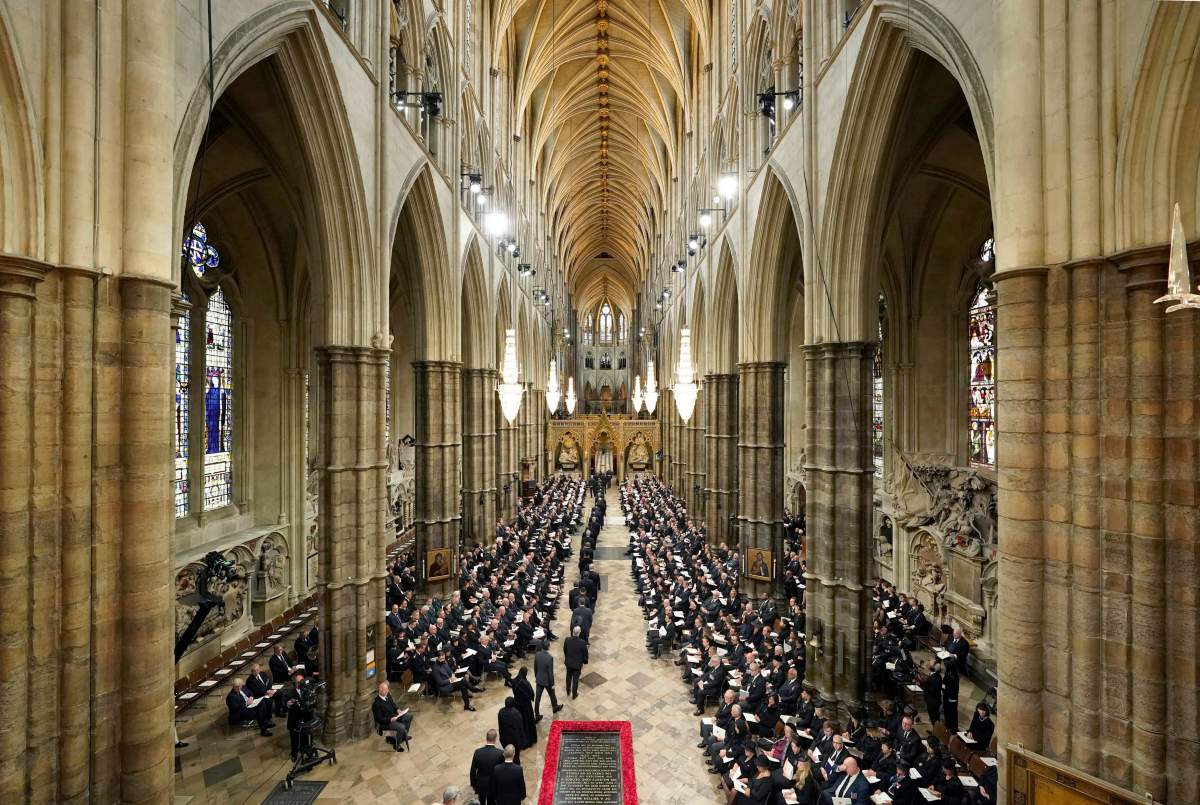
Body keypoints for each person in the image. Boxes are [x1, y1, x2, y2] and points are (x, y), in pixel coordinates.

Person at [371, 681, 412, 751]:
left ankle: (403, 737)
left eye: (387, 689)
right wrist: (390, 719)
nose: (388, 691)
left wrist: (398, 710)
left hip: (394, 716)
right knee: (401, 727)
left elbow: (393, 704)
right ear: (380, 690)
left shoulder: (388, 695)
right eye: (386, 689)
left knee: (408, 716)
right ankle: (397, 745)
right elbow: (379, 719)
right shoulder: (377, 704)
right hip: (386, 723)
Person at [470, 729, 505, 805]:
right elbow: (502, 770)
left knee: (481, 800)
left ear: (486, 738)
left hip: (481, 783)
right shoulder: (500, 753)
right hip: (493, 784)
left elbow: (473, 770)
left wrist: (473, 784)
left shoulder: (477, 752)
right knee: (491, 801)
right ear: (495, 739)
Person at [533, 642, 563, 720]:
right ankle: (555, 707)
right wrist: (552, 684)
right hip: (547, 681)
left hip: (539, 680)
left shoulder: (537, 654)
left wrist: (537, 676)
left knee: (537, 698)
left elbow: (535, 668)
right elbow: (550, 673)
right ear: (548, 647)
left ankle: (536, 714)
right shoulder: (549, 658)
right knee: (552, 695)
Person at [511, 667, 537, 746]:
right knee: (527, 721)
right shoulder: (525, 682)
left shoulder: (514, 681)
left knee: (521, 722)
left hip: (517, 704)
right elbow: (532, 694)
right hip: (526, 705)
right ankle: (530, 740)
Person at [497, 697, 527, 763]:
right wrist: (522, 742)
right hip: (514, 740)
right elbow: (520, 728)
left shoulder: (501, 712)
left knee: (507, 756)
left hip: (504, 739)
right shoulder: (516, 713)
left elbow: (500, 726)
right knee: (516, 758)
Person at [563, 625, 588, 699]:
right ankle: (574, 694)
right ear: (579, 633)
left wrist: (567, 657)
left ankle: (568, 691)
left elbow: (565, 650)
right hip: (577, 664)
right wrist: (585, 661)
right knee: (575, 679)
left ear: (573, 632)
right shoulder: (582, 642)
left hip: (569, 663)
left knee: (568, 677)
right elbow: (585, 653)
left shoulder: (567, 639)